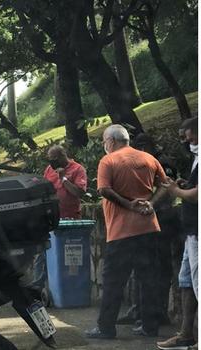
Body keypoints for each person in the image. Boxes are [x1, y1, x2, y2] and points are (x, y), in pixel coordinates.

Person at [85, 124, 168, 339]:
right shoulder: (149, 159)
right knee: (149, 279)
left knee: (113, 282)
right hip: (149, 228)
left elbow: (104, 190)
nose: (105, 145)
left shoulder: (109, 160)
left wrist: (128, 204)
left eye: (104, 141)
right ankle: (150, 327)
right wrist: (151, 203)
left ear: (111, 141)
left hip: (121, 233)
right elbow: (165, 185)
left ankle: (106, 328)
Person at [117, 134, 180, 326]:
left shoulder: (161, 162)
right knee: (141, 267)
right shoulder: (142, 161)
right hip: (144, 220)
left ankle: (155, 313)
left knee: (158, 269)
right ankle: (139, 311)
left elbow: (167, 189)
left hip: (162, 219)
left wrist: (150, 204)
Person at [157, 117, 198, 350]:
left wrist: (175, 190)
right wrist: (183, 185)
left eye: (189, 136)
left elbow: (197, 195)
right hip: (190, 231)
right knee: (186, 282)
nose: (186, 141)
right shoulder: (196, 158)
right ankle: (186, 334)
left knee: (198, 283)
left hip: (197, 233)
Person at [32, 145, 87, 291]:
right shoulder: (49, 170)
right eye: (50, 161)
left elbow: (79, 193)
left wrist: (63, 178)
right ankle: (37, 287)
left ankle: (69, 287)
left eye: (55, 160)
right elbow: (44, 189)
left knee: (67, 256)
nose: (52, 164)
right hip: (50, 219)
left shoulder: (77, 169)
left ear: (63, 156)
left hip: (70, 219)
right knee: (42, 253)